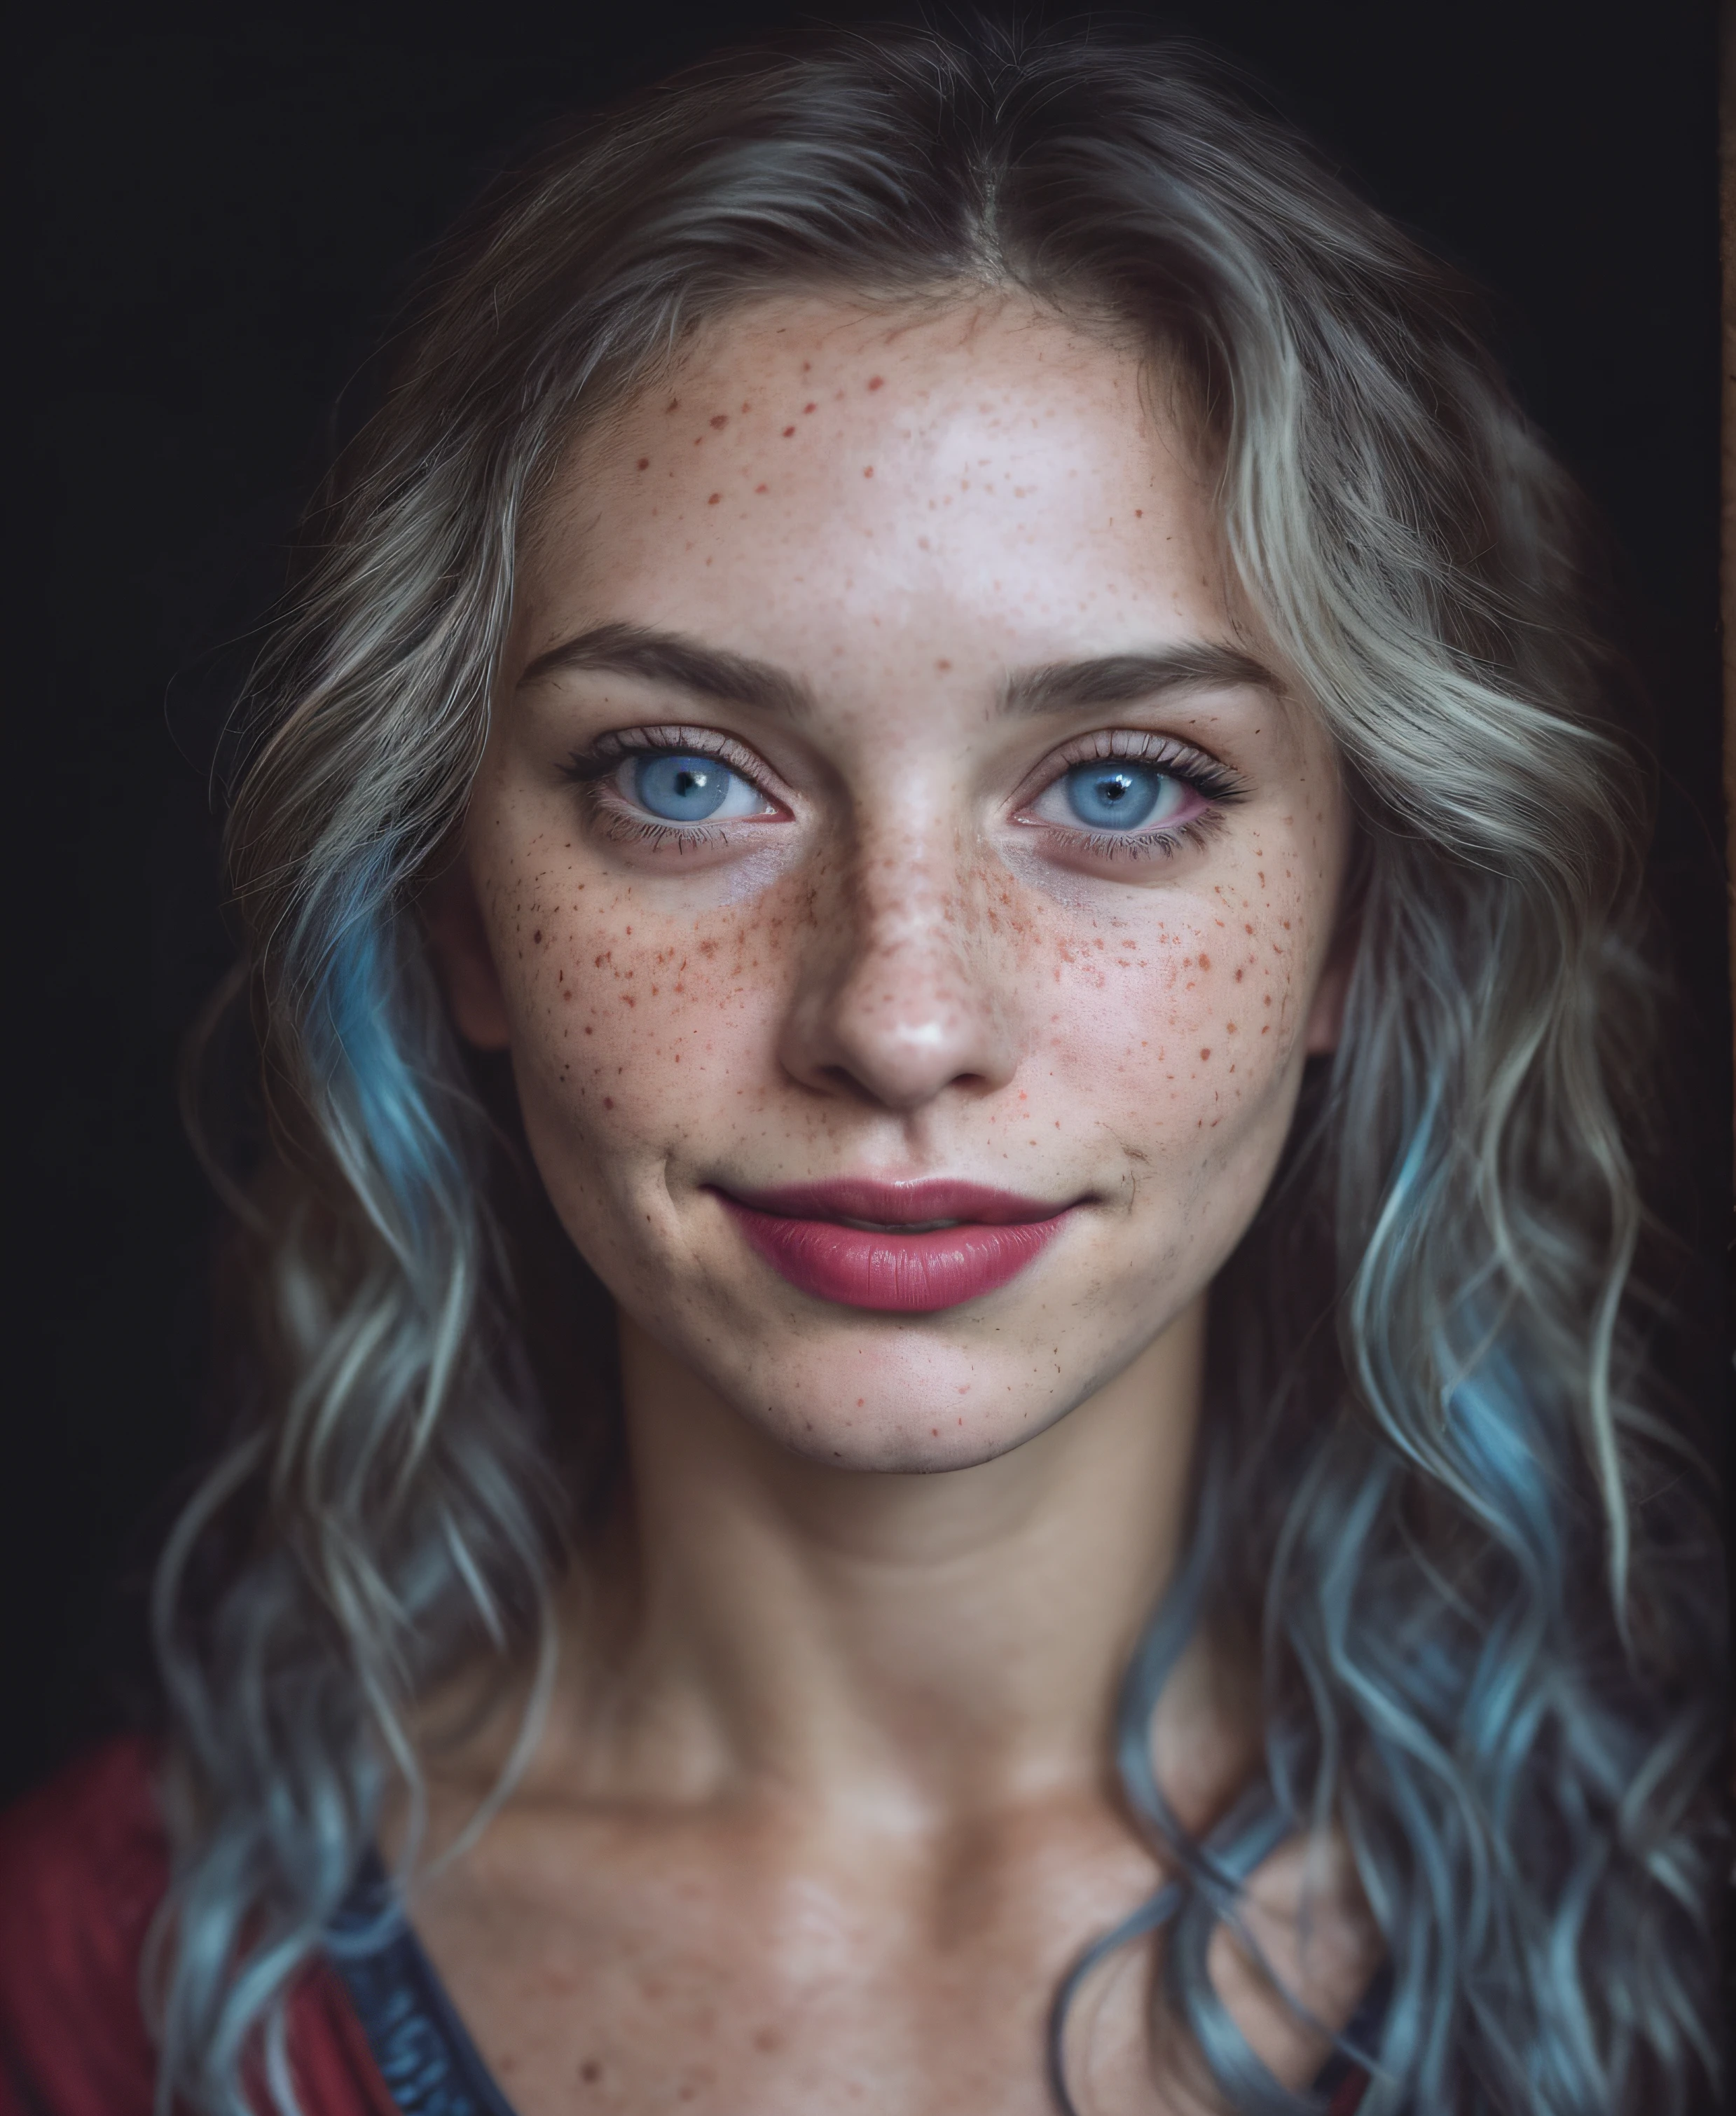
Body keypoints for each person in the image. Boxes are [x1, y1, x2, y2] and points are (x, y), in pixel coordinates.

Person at [0, 21, 1721, 2116]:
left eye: (1117, 782)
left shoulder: (1673, 1924)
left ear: (1360, 920)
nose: (899, 1021)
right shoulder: (105, 1979)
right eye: (681, 775)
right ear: (455, 903)